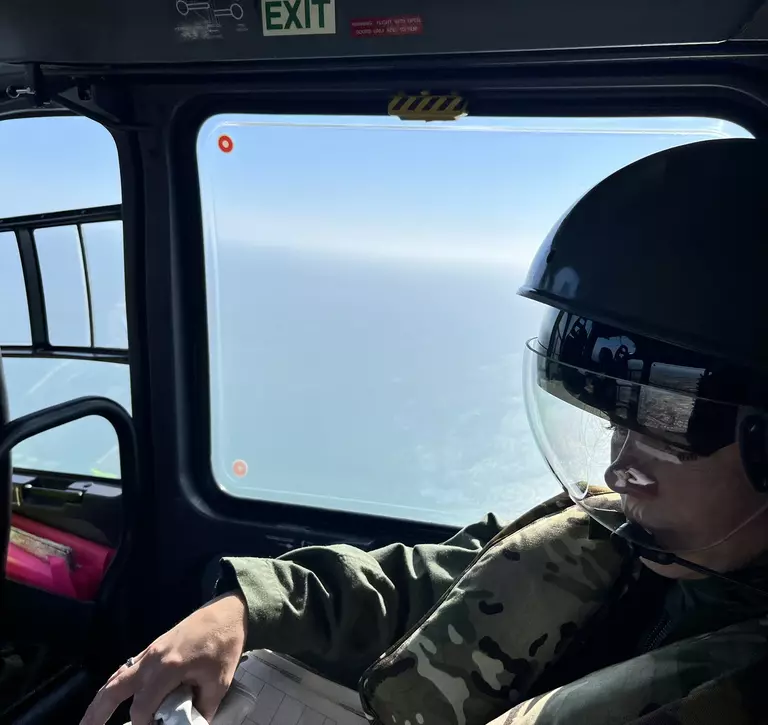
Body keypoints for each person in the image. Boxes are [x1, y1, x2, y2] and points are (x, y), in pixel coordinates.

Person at [82, 137, 768, 725]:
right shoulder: (617, 544)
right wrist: (241, 610)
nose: (620, 469)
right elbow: (422, 580)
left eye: (663, 435)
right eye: (617, 427)